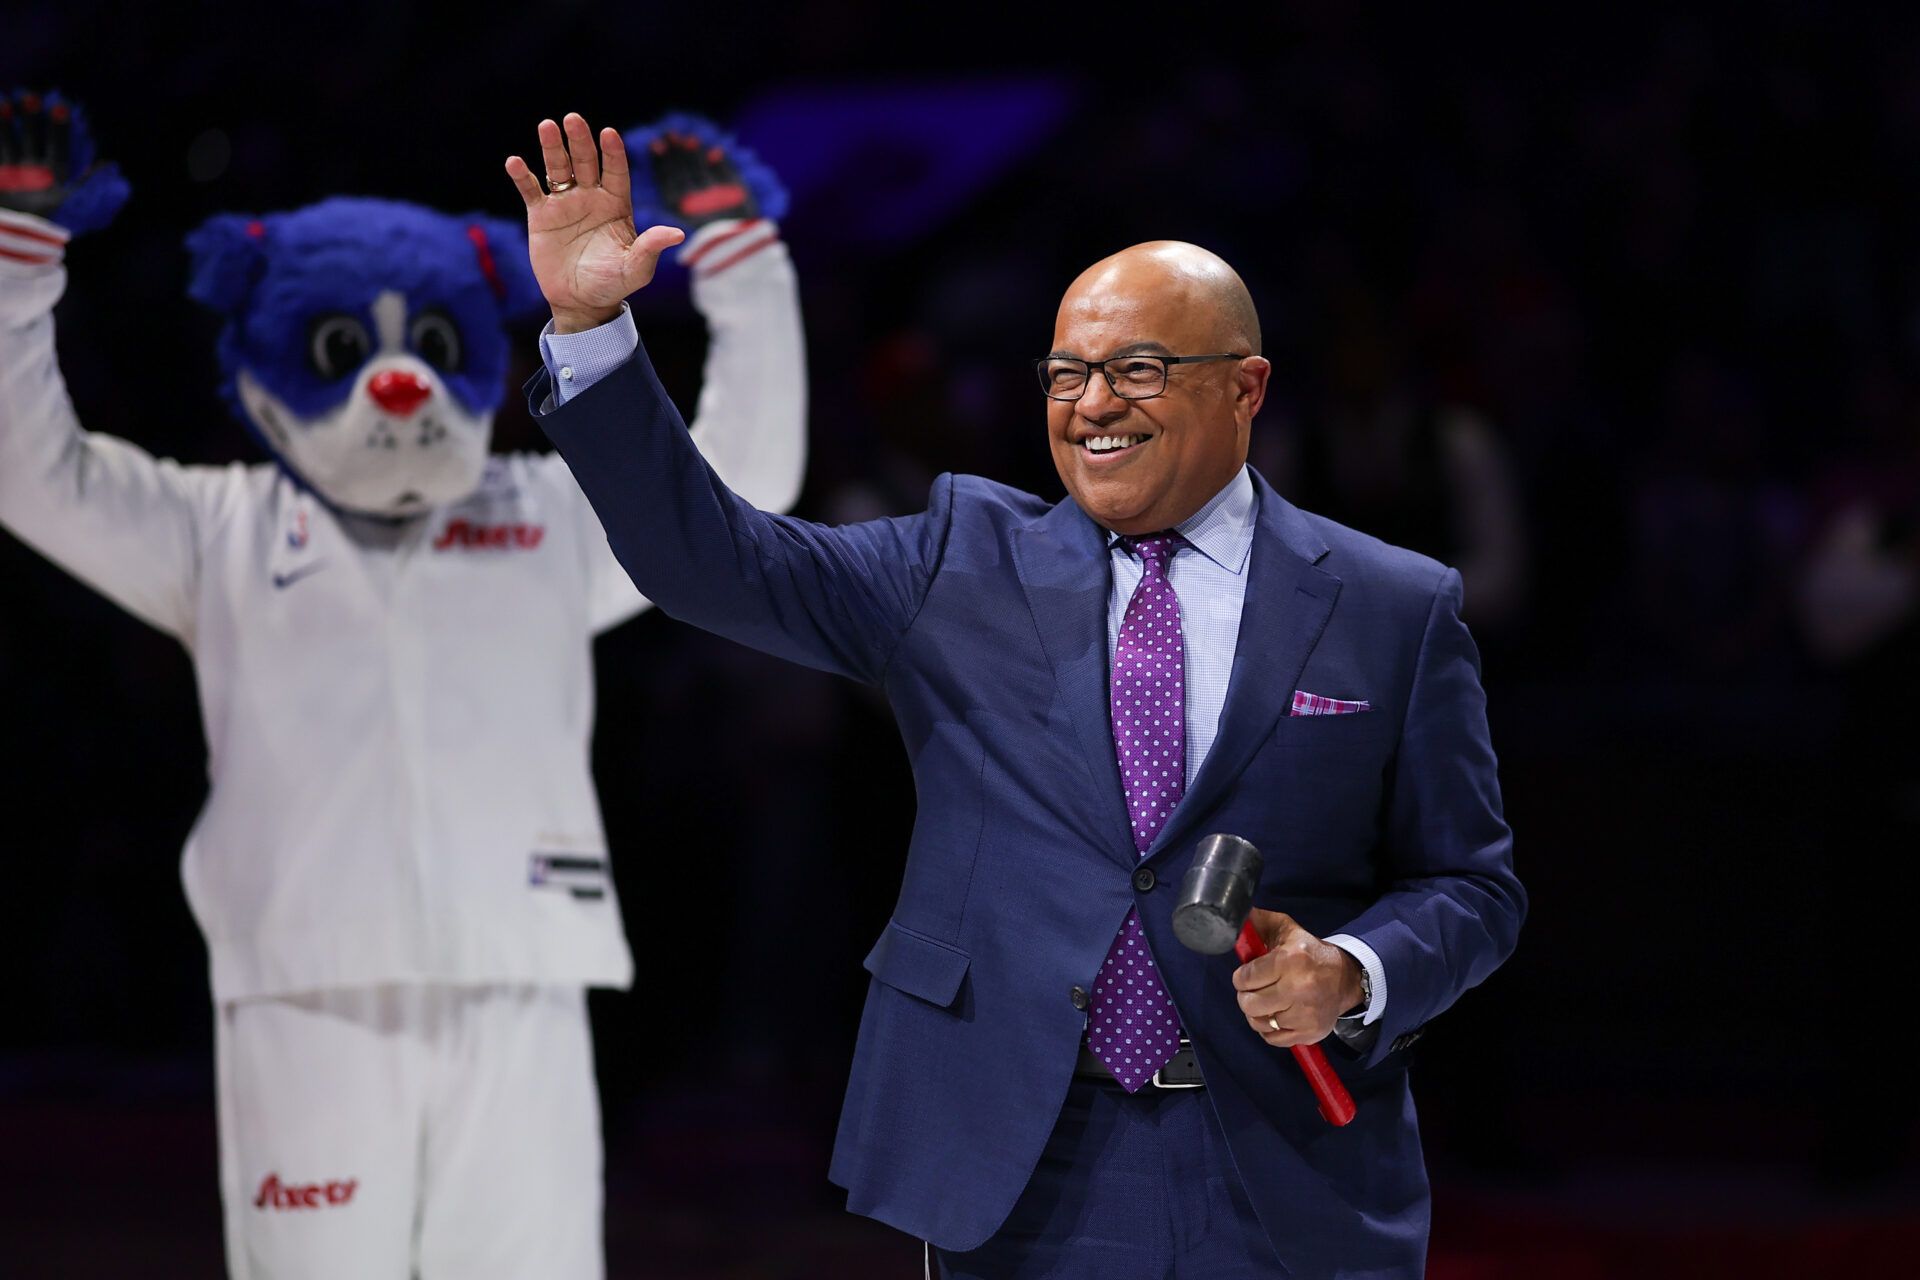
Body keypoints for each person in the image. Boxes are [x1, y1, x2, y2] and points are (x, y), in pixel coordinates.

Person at [505, 111, 1524, 1279]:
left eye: (1137, 368)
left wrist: (1352, 968)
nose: (1092, 402)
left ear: (1246, 389)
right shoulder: (957, 559)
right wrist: (590, 331)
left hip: (1281, 1163)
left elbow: (1472, 885)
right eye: (1067, 373)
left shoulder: (1394, 604)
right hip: (1024, 1164)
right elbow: (710, 563)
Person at [0, 95, 806, 1278]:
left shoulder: (542, 515)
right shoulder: (217, 528)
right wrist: (19, 261)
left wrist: (737, 261)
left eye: (429, 346)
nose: (394, 385)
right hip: (305, 992)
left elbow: (737, 491)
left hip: (521, 970)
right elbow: (29, 469)